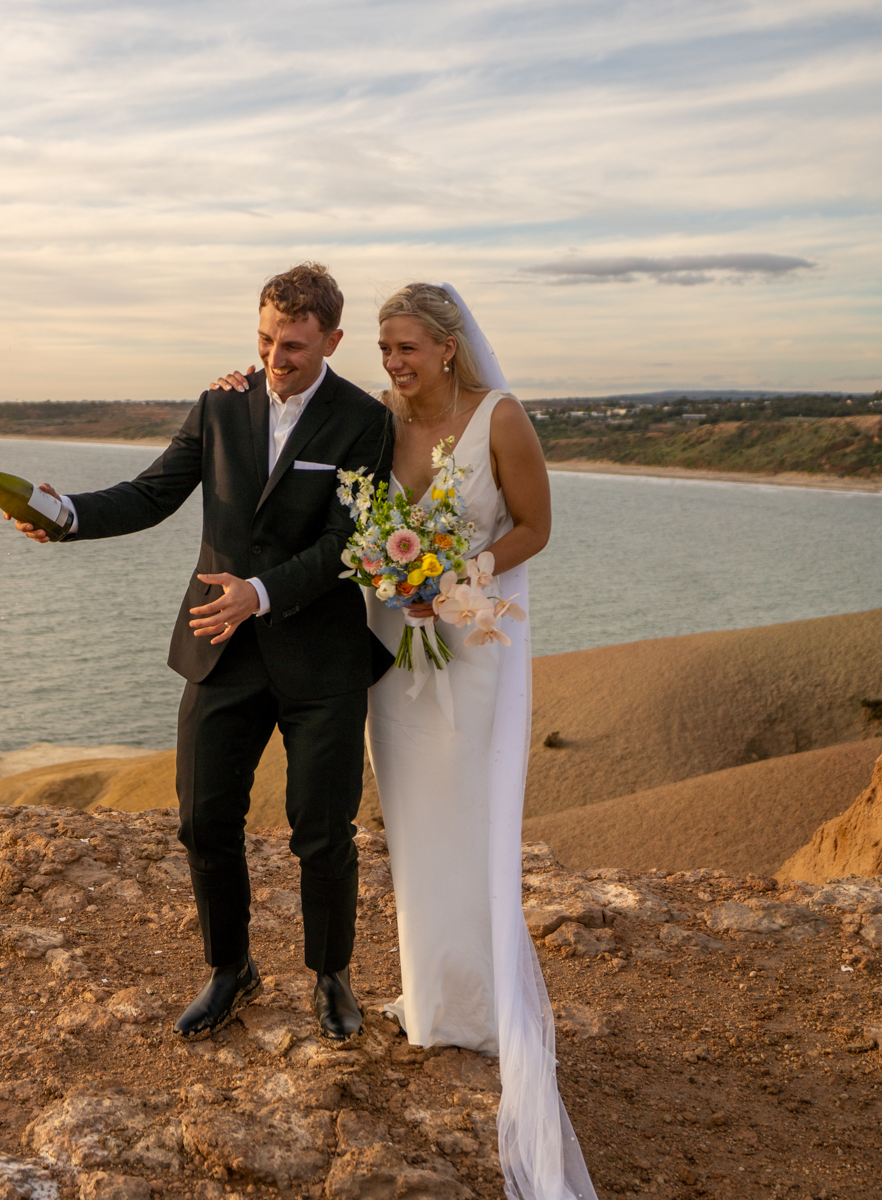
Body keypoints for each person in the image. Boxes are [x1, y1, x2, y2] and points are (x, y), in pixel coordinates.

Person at [208, 282, 598, 1198]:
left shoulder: (500, 420)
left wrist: (458, 566)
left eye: (406, 349)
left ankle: (484, 1004)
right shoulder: (377, 419)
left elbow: (537, 526)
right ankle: (432, 1002)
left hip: (469, 640)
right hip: (393, 652)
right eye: (384, 348)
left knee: (470, 816)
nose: (392, 363)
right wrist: (245, 385)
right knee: (412, 826)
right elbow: (313, 441)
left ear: (449, 350)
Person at [8, 263, 394, 1042]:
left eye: (291, 346)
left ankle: (331, 976)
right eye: (262, 339)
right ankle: (230, 969)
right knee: (203, 821)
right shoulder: (220, 402)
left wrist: (262, 590)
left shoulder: (365, 420)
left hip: (320, 656)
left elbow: (349, 543)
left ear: (333, 340)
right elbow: (152, 493)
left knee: (323, 831)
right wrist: (68, 517)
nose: (273, 358)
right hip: (219, 647)